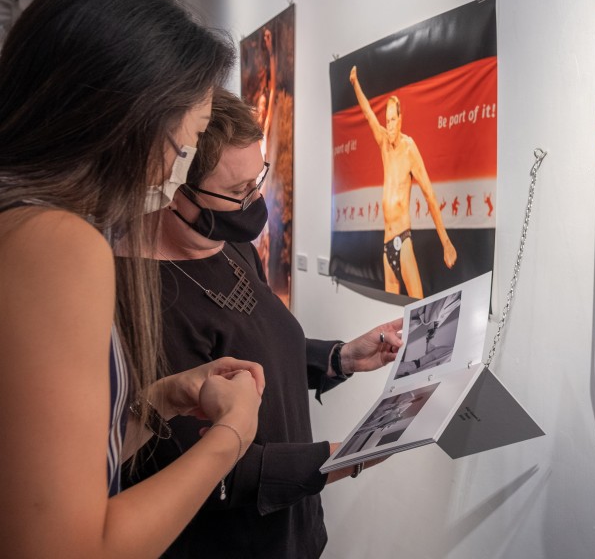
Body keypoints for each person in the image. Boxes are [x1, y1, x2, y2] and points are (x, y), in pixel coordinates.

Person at [0, 0, 265, 557]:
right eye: (186, 143)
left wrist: (158, 401)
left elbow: (38, 480)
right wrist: (230, 435)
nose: (179, 170)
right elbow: (70, 546)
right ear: (127, 122)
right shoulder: (54, 242)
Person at [128, 87, 404, 558]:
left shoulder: (232, 246)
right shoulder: (141, 295)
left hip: (293, 528)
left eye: (258, 180)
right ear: (175, 190)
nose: (255, 200)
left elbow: (261, 349)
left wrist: (338, 358)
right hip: (230, 543)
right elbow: (201, 464)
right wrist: (343, 459)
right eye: (239, 192)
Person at [349, 65, 457, 298]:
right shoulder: (384, 145)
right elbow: (367, 113)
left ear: (400, 120)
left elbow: (429, 194)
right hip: (387, 243)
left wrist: (446, 243)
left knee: (415, 305)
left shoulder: (409, 148)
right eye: (386, 121)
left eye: (392, 120)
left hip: (403, 239)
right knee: (390, 311)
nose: (388, 126)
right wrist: (355, 84)